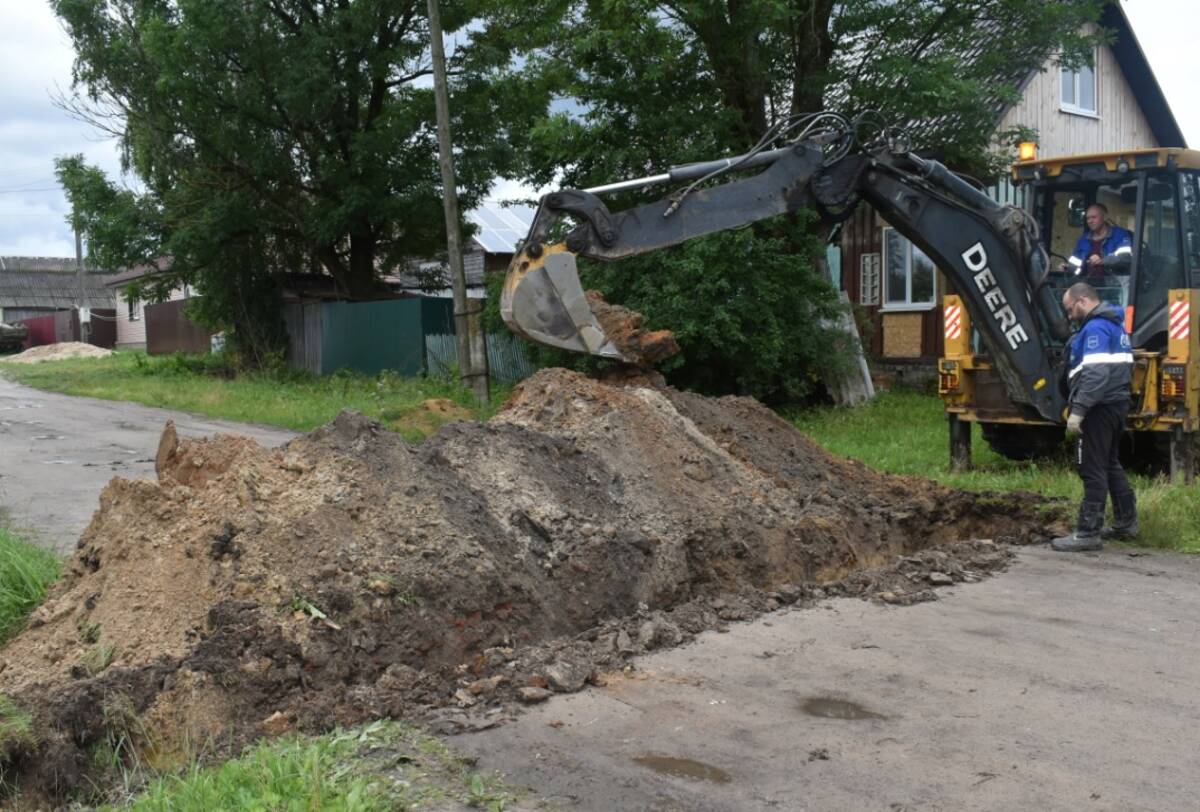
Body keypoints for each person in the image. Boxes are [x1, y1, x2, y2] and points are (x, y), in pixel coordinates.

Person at [1052, 282, 1138, 552]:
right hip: (1116, 404)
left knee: (1091, 467)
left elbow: (1096, 374)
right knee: (1109, 463)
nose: (1069, 316)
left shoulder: (1096, 329)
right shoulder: (1115, 325)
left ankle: (1088, 533)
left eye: (1069, 309)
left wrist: (1078, 411)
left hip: (1099, 408)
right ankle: (1126, 522)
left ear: (1082, 301)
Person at [1061, 203, 1133, 281]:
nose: (1090, 221)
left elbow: (1125, 259)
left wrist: (1102, 261)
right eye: (1088, 218)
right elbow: (1076, 263)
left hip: (1115, 286)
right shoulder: (1083, 239)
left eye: (1094, 217)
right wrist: (1067, 267)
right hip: (1088, 285)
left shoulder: (1120, 234)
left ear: (1105, 217)